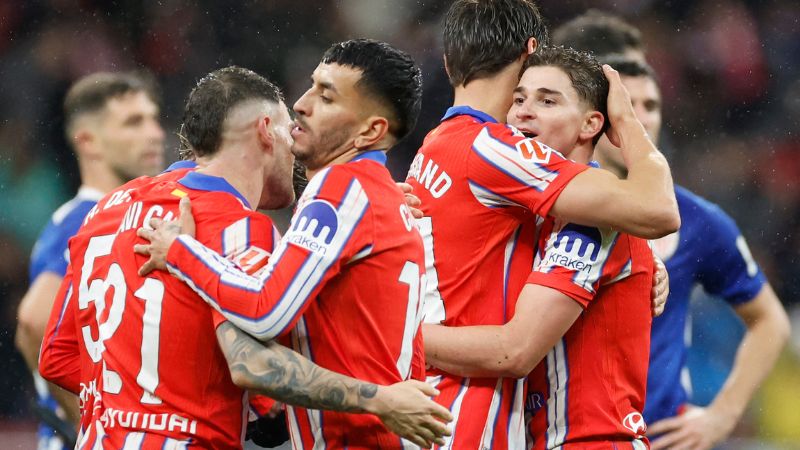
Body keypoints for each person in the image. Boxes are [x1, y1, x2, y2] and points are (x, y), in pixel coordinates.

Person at [40, 65, 450, 449]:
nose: (295, 147)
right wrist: (379, 400)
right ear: (265, 131)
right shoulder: (237, 226)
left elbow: (57, 358)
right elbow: (253, 362)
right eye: (289, 129)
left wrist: (131, 404)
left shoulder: (107, 208)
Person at [403, 1, 679, 448]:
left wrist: (627, 120)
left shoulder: (591, 221)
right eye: (519, 99)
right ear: (527, 53)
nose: (521, 114)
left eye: (546, 100)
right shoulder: (523, 197)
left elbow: (513, 350)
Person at [553, 12, 791, 450]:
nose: (639, 119)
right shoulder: (548, 206)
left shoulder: (694, 218)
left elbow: (770, 322)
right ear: (595, 118)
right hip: (563, 434)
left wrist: (721, 417)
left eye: (651, 106)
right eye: (626, 106)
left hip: (657, 435)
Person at [15, 71, 166, 450]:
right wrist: (95, 427)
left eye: (153, 117)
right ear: (87, 140)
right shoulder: (81, 219)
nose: (155, 132)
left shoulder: (126, 216)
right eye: (133, 122)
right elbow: (33, 324)